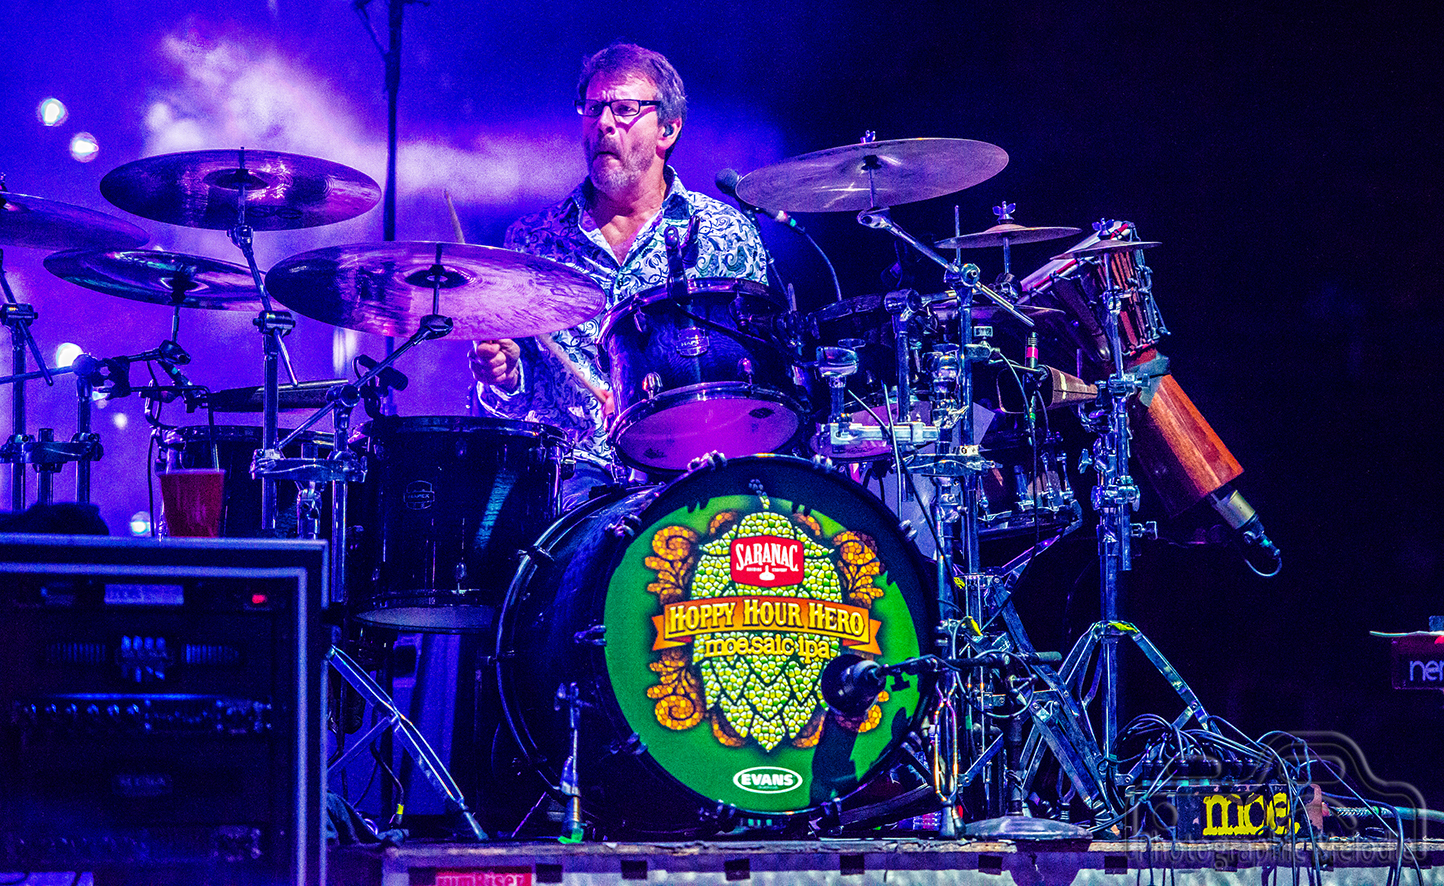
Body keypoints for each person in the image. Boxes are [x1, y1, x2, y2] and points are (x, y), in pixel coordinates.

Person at [469, 42, 770, 499]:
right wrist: (506, 378)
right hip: (570, 479)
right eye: (592, 109)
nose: (603, 124)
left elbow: (755, 381)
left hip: (696, 471)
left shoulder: (723, 232)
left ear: (667, 129)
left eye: (624, 109)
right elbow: (514, 408)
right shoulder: (532, 243)